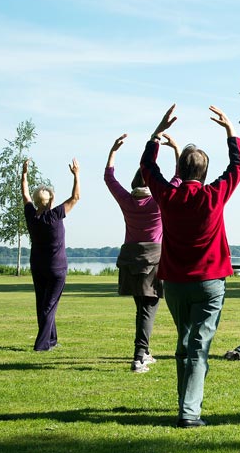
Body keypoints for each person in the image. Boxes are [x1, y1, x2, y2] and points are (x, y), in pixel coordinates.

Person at [140, 103, 240, 428]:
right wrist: (230, 131)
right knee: (197, 347)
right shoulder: (213, 195)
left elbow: (148, 168)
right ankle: (189, 414)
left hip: (174, 285)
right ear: (202, 172)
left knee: (186, 344)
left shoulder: (169, 197)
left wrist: (157, 133)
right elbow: (239, 165)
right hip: (210, 282)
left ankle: (185, 408)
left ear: (183, 171)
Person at [105, 132, 181, 373]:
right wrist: (177, 149)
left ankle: (145, 352)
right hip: (152, 260)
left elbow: (109, 178)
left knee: (142, 308)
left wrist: (113, 152)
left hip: (130, 259)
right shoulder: (158, 202)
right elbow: (179, 178)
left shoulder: (127, 200)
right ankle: (139, 357)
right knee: (149, 308)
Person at [21, 157, 80, 352]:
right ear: (51, 201)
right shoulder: (55, 215)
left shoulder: (32, 216)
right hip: (56, 268)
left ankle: (52, 339)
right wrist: (76, 175)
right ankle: (42, 344)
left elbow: (26, 196)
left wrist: (24, 175)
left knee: (43, 303)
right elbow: (75, 198)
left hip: (38, 266)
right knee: (49, 305)